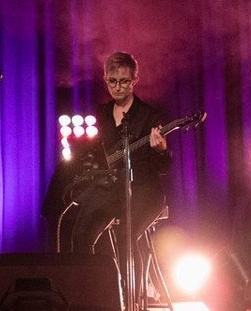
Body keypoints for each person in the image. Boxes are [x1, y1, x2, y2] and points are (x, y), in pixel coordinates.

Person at [62, 51, 170, 255]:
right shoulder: (101, 113)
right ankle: (92, 285)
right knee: (80, 234)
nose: (118, 87)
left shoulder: (149, 115)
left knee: (125, 237)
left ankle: (131, 288)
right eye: (112, 81)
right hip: (110, 190)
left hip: (143, 189)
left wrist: (161, 150)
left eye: (124, 81)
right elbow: (91, 154)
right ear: (105, 79)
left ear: (134, 81)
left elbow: (163, 168)